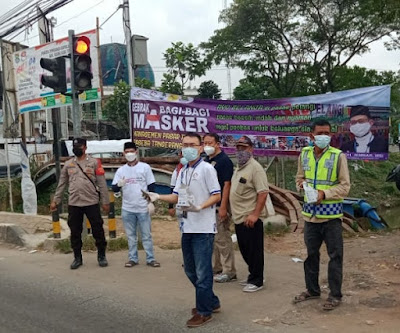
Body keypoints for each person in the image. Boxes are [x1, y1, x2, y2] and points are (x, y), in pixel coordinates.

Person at [143, 132, 221, 328]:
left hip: (203, 227)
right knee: (190, 270)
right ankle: (210, 301)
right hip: (187, 226)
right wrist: (157, 197)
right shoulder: (183, 170)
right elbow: (176, 196)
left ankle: (204, 311)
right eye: (185, 144)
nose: (188, 147)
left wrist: (200, 207)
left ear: (200, 147)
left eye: (193, 144)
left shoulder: (206, 170)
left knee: (203, 272)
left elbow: (217, 195)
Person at [294, 119, 350, 311]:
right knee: (311, 255)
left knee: (335, 256)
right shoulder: (305, 154)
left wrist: (324, 194)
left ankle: (335, 295)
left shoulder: (338, 156)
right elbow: (299, 177)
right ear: (312, 135)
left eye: (327, 133)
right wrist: (301, 185)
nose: (324, 136)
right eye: (320, 133)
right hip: (310, 216)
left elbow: (345, 186)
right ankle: (312, 290)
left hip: (332, 217)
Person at [50, 138, 110, 269]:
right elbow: (62, 184)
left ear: (85, 147)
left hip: (91, 202)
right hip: (74, 203)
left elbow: (102, 184)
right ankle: (77, 257)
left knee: (98, 230)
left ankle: (101, 255)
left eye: (79, 146)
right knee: (75, 231)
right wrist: (56, 200)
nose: (76, 148)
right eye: (75, 146)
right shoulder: (68, 164)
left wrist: (105, 202)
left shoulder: (94, 163)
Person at [229, 136, 269, 293]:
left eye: (243, 147)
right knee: (245, 249)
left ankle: (257, 280)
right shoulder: (239, 167)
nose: (240, 150)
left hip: (250, 216)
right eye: (238, 147)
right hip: (239, 216)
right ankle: (254, 274)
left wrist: (255, 214)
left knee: (254, 249)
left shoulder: (255, 168)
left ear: (251, 149)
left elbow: (263, 193)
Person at [112, 142, 160, 268]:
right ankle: (132, 258)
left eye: (131, 151)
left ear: (136, 151)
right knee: (131, 236)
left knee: (146, 235)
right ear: (123, 153)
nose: (129, 154)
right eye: (127, 152)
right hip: (127, 208)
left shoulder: (145, 167)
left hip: (143, 207)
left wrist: (151, 202)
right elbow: (114, 188)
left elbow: (151, 186)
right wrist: (119, 185)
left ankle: (150, 258)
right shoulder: (121, 170)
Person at [203, 133, 237, 283]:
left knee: (223, 238)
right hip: (208, 207)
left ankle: (229, 271)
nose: (207, 146)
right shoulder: (206, 160)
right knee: (213, 239)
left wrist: (223, 206)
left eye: (210, 143)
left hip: (219, 206)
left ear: (217, 144)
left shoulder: (224, 161)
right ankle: (216, 267)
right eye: (205, 143)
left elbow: (227, 184)